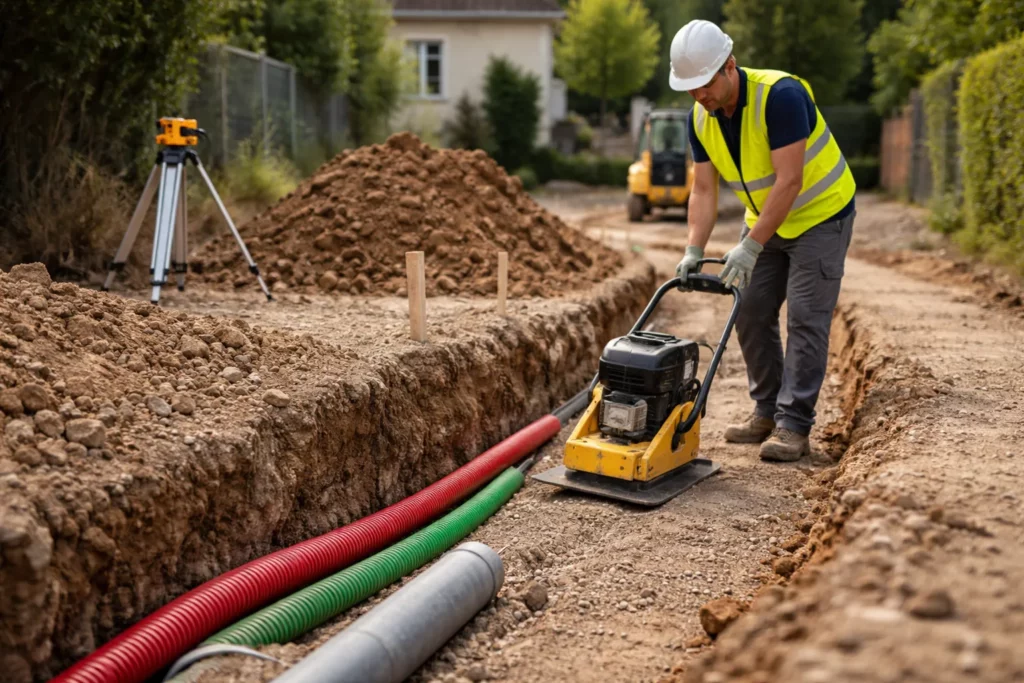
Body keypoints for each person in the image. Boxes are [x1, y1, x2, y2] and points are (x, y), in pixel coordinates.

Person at [669, 19, 856, 462]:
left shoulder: (781, 96)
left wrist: (751, 245)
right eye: (691, 87)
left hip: (820, 215)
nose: (700, 95)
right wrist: (694, 249)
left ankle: (794, 425)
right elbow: (703, 189)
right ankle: (767, 411)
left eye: (706, 83)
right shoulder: (700, 118)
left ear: (730, 65)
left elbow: (790, 180)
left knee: (806, 317)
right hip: (767, 219)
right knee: (749, 309)